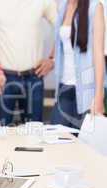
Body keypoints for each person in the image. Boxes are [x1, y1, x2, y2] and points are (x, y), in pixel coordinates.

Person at [0, 0, 57, 126]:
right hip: (3, 79)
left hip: (34, 77)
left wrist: (53, 59)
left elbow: (65, 27)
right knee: (0, 132)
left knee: (34, 135)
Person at [51, 0, 105, 130]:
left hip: (87, 91)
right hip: (64, 87)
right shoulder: (63, 6)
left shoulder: (95, 7)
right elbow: (60, 45)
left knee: (84, 145)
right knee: (57, 139)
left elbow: (98, 54)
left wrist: (99, 96)